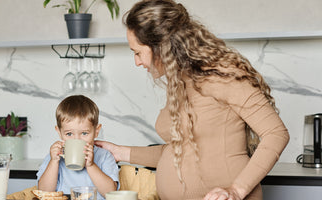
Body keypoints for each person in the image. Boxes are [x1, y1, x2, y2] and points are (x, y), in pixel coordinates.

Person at [95, 0, 290, 199]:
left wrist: (236, 190)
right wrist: (121, 153)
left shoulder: (223, 75)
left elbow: (276, 133)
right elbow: (180, 150)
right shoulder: (181, 81)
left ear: (162, 47)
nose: (137, 62)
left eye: (138, 53)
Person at [37, 95, 119, 199]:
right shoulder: (53, 158)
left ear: (96, 131)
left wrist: (91, 166)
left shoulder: (105, 156)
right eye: (69, 134)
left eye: (84, 133)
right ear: (59, 132)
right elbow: (43, 192)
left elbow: (111, 193)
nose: (77, 140)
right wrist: (54, 162)